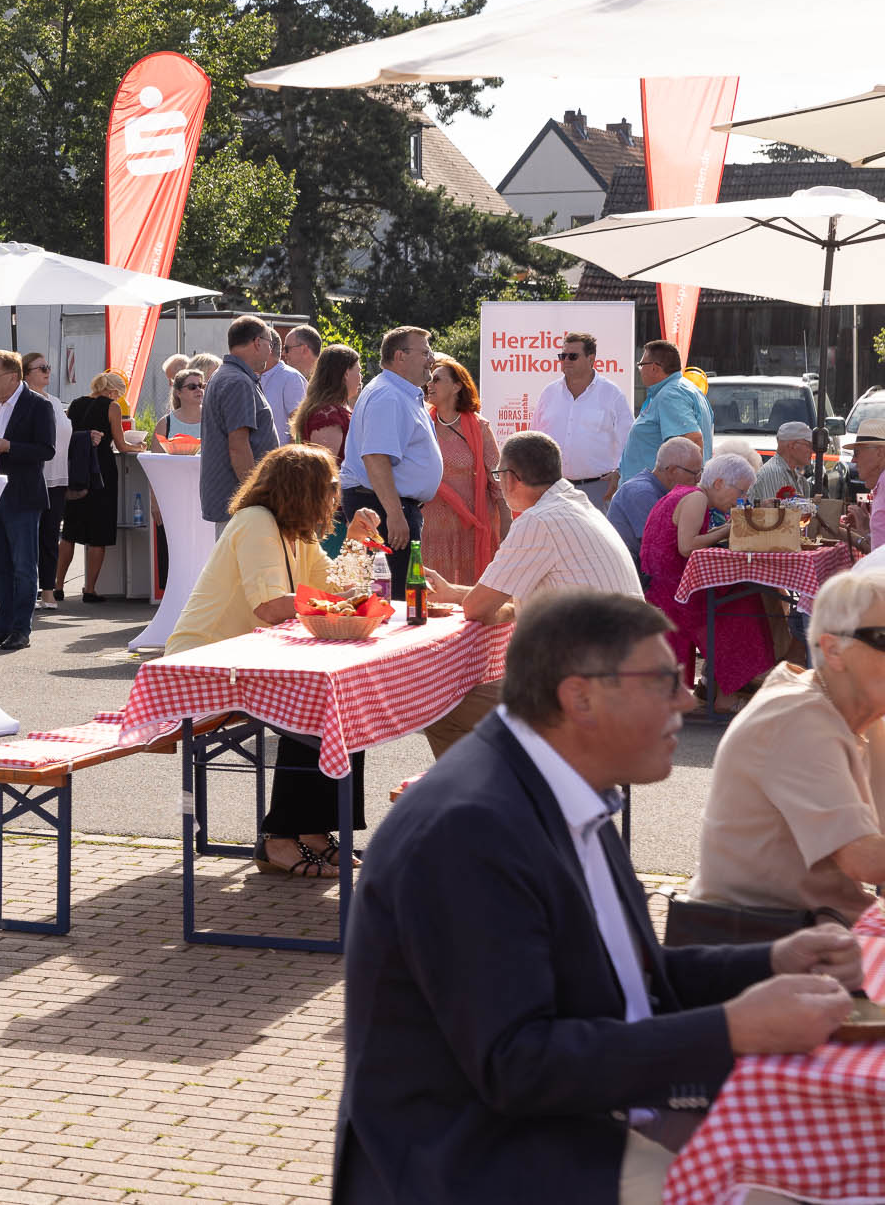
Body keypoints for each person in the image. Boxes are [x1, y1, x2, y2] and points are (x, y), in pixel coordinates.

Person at [336, 587, 861, 1205]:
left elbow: (621, 980)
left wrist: (770, 960)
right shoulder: (469, 829)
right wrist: (732, 1028)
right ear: (580, 697)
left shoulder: (559, 786)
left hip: (574, 1125)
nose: (688, 699)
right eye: (665, 680)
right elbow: (520, 1066)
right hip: (474, 1163)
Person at [167, 444, 383, 875]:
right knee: (318, 707)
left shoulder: (293, 530)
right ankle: (280, 837)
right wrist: (343, 598)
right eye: (330, 487)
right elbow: (269, 607)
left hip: (248, 662)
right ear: (302, 489)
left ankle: (314, 831)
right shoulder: (256, 521)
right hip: (203, 666)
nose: (336, 497)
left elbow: (335, 586)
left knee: (344, 701)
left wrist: (357, 544)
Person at [684, 571, 885, 943]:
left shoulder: (866, 714)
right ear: (835, 650)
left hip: (821, 936)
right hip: (753, 952)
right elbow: (867, 860)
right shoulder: (799, 717)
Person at [423, 430, 644, 758]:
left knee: (441, 704)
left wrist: (466, 600)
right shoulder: (576, 505)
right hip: (625, 684)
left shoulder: (539, 521)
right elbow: (519, 599)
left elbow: (479, 610)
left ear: (512, 478)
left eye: (498, 476)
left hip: (581, 694)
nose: (498, 484)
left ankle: (499, 800)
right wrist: (457, 593)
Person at [643, 451, 781, 714]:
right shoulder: (695, 497)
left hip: (673, 587)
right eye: (740, 492)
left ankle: (721, 685)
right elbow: (687, 547)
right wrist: (729, 529)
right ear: (718, 484)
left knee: (742, 593)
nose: (741, 500)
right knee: (739, 604)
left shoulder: (689, 495)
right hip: (675, 595)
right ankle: (730, 692)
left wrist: (728, 528)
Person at [340, 325, 442, 590]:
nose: (431, 359)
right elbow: (375, 458)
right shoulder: (388, 395)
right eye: (425, 352)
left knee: (401, 592)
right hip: (381, 507)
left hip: (387, 505)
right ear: (400, 356)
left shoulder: (400, 392)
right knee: (394, 596)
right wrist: (395, 514)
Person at [0, 350, 55, 652]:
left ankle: (21, 629)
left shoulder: (37, 405)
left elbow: (46, 449)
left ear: (12, 376)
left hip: (21, 495)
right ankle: (4, 625)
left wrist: (11, 447)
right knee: (0, 565)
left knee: (23, 565)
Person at [422, 355, 502, 586]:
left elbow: (496, 478)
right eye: (429, 378)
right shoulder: (422, 424)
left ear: (457, 386)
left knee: (468, 589)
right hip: (432, 528)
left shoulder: (479, 428)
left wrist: (505, 521)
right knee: (433, 592)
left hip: (471, 526)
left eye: (437, 379)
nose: (430, 383)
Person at [530, 330, 633, 504]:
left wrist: (620, 473)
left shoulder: (612, 394)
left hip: (598, 489)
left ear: (591, 359)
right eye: (563, 356)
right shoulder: (548, 393)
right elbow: (534, 439)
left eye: (573, 356)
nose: (566, 361)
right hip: (554, 489)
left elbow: (630, 441)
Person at [63, 370, 139, 604]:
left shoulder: (75, 404)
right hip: (101, 470)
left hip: (77, 469)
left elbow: (67, 436)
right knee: (99, 532)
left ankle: (56, 586)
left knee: (69, 532)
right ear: (114, 392)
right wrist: (140, 446)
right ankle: (90, 589)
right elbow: (121, 444)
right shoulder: (112, 407)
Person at [199, 316, 281, 530]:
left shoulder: (226, 375)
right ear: (257, 342)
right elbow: (238, 446)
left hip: (237, 504)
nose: (269, 351)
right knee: (244, 564)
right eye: (269, 344)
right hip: (243, 506)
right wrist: (255, 496)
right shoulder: (237, 381)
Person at [620, 337, 714, 486]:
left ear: (653, 367)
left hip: (656, 495)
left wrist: (679, 494)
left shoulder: (670, 395)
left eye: (641, 365)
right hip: (654, 492)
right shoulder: (684, 389)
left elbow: (692, 440)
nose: (640, 370)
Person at [26, 350, 72, 608]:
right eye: (41, 368)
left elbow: (63, 434)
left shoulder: (54, 400)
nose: (47, 371)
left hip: (58, 476)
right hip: (35, 476)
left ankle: (47, 589)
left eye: (48, 367)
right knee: (30, 536)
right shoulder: (25, 401)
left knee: (50, 535)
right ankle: (29, 589)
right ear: (26, 374)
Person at [609, 437, 703, 558]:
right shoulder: (642, 493)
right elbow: (661, 546)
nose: (698, 479)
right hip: (632, 569)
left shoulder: (659, 489)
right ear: (672, 471)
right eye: (695, 473)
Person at [290, 343, 360, 461]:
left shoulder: (335, 409)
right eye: (358, 371)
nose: (361, 377)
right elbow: (326, 470)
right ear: (346, 374)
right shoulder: (327, 416)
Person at [750, 420, 823, 503]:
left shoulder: (800, 479)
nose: (812, 451)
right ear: (792, 445)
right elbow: (775, 514)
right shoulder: (773, 473)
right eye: (809, 445)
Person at [263, 323, 316, 426]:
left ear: (269, 348)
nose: (283, 354)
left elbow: (298, 427)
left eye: (287, 349)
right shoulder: (255, 376)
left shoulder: (291, 378)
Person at [150, 359, 205, 451]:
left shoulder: (214, 418)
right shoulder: (165, 423)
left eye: (200, 386)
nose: (198, 390)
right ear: (178, 392)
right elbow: (156, 459)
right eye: (192, 387)